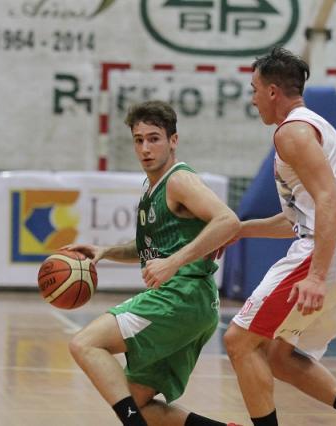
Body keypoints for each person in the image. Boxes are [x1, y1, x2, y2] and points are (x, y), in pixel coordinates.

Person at [222, 47, 336, 426]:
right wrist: (242, 231)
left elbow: (329, 200)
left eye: (255, 88)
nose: (252, 97)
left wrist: (317, 275)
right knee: (277, 354)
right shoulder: (314, 127)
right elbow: (298, 216)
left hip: (328, 250)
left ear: (273, 91)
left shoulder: (291, 132)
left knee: (239, 341)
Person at [64, 100, 242, 426]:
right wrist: (105, 251)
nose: (145, 148)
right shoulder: (152, 187)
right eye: (139, 139)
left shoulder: (179, 180)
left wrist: (174, 262)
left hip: (181, 297)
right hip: (192, 305)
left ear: (173, 140)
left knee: (84, 343)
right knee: (137, 401)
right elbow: (149, 247)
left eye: (154, 138)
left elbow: (228, 221)